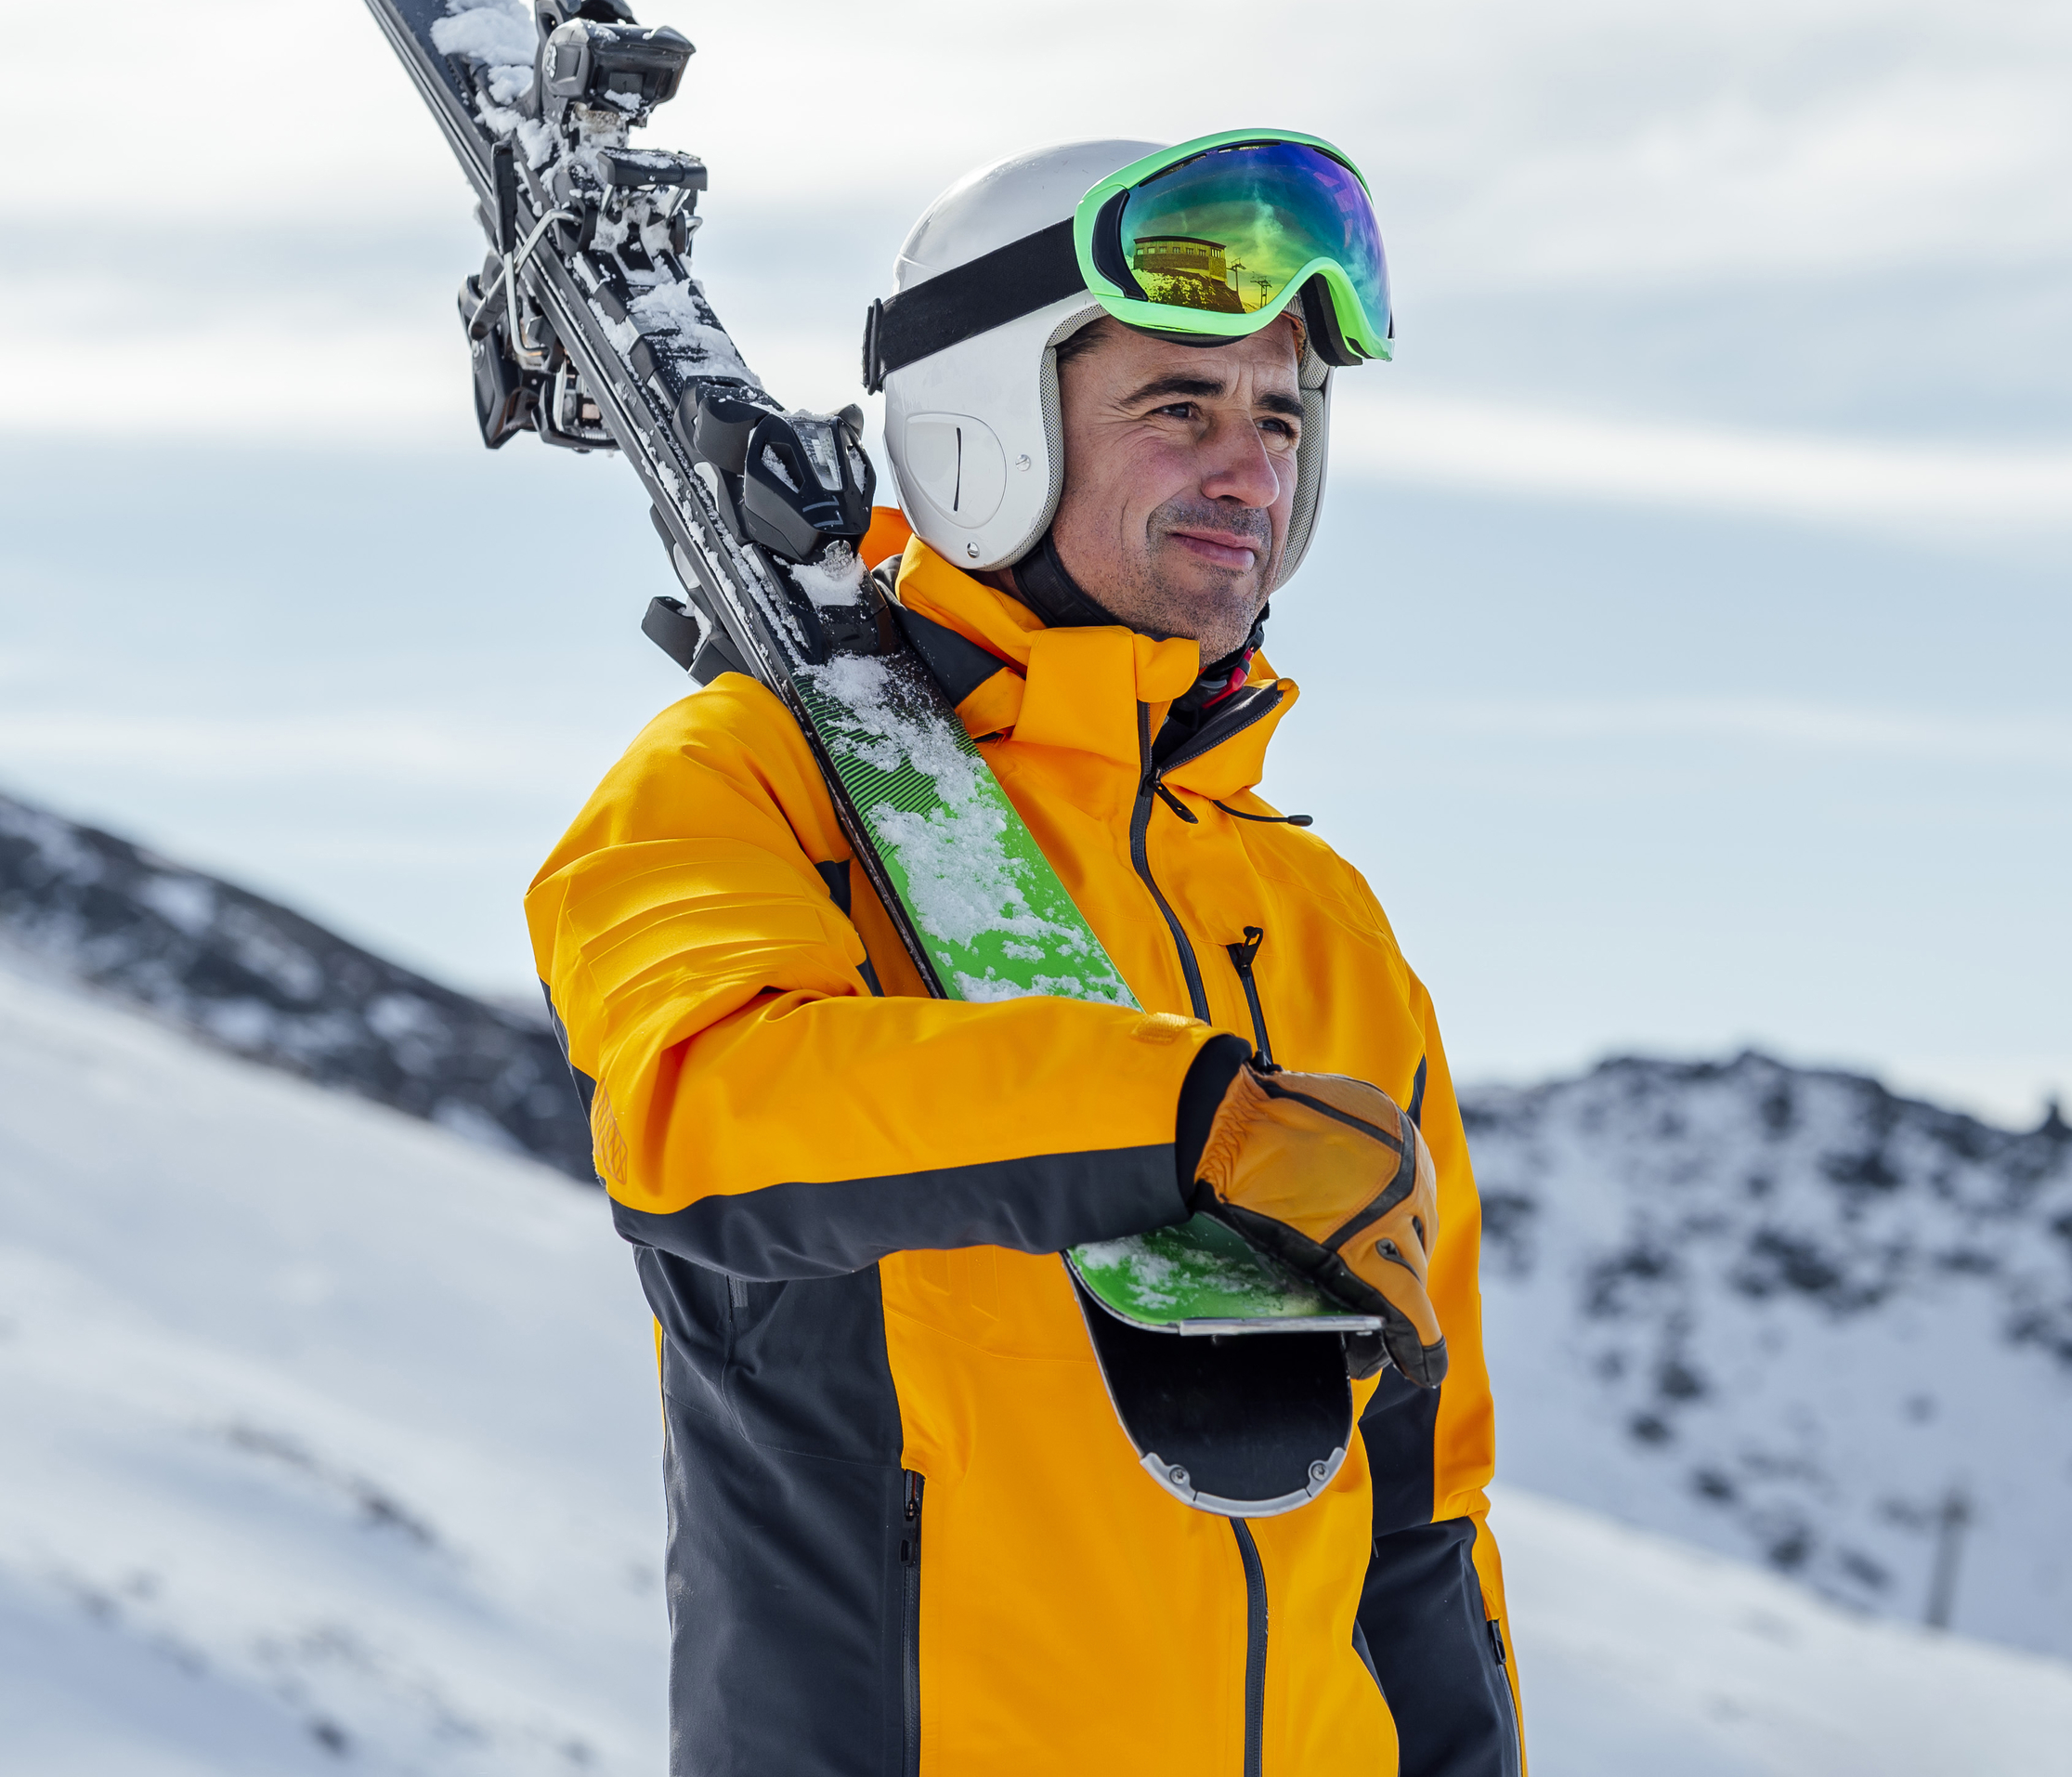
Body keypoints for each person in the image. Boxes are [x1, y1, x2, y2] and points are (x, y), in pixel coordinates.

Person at [528, 134, 1522, 1777]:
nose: (1251, 472)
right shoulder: (755, 781)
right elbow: (707, 1110)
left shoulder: (1323, 922)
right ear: (988, 424)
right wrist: (1184, 1121)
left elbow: (1421, 1515)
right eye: (1180, 408)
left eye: (1283, 418)